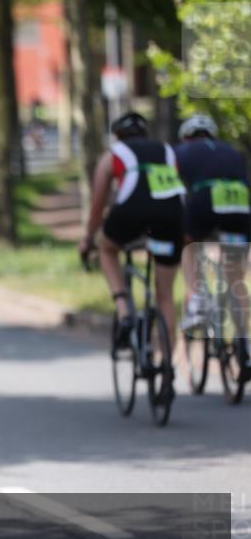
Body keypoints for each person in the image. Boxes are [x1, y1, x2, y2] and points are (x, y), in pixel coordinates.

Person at [77, 111, 186, 388]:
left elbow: (98, 205)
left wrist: (87, 239)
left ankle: (124, 311)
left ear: (117, 135)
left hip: (131, 211)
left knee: (106, 248)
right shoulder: (167, 150)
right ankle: (167, 366)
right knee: (165, 296)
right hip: (170, 216)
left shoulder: (114, 154)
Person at [174, 114, 251, 374]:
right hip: (239, 205)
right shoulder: (232, 151)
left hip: (205, 199)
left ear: (186, 137)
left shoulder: (181, 151)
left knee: (189, 243)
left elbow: (175, 189)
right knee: (236, 278)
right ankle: (245, 341)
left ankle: (197, 299)